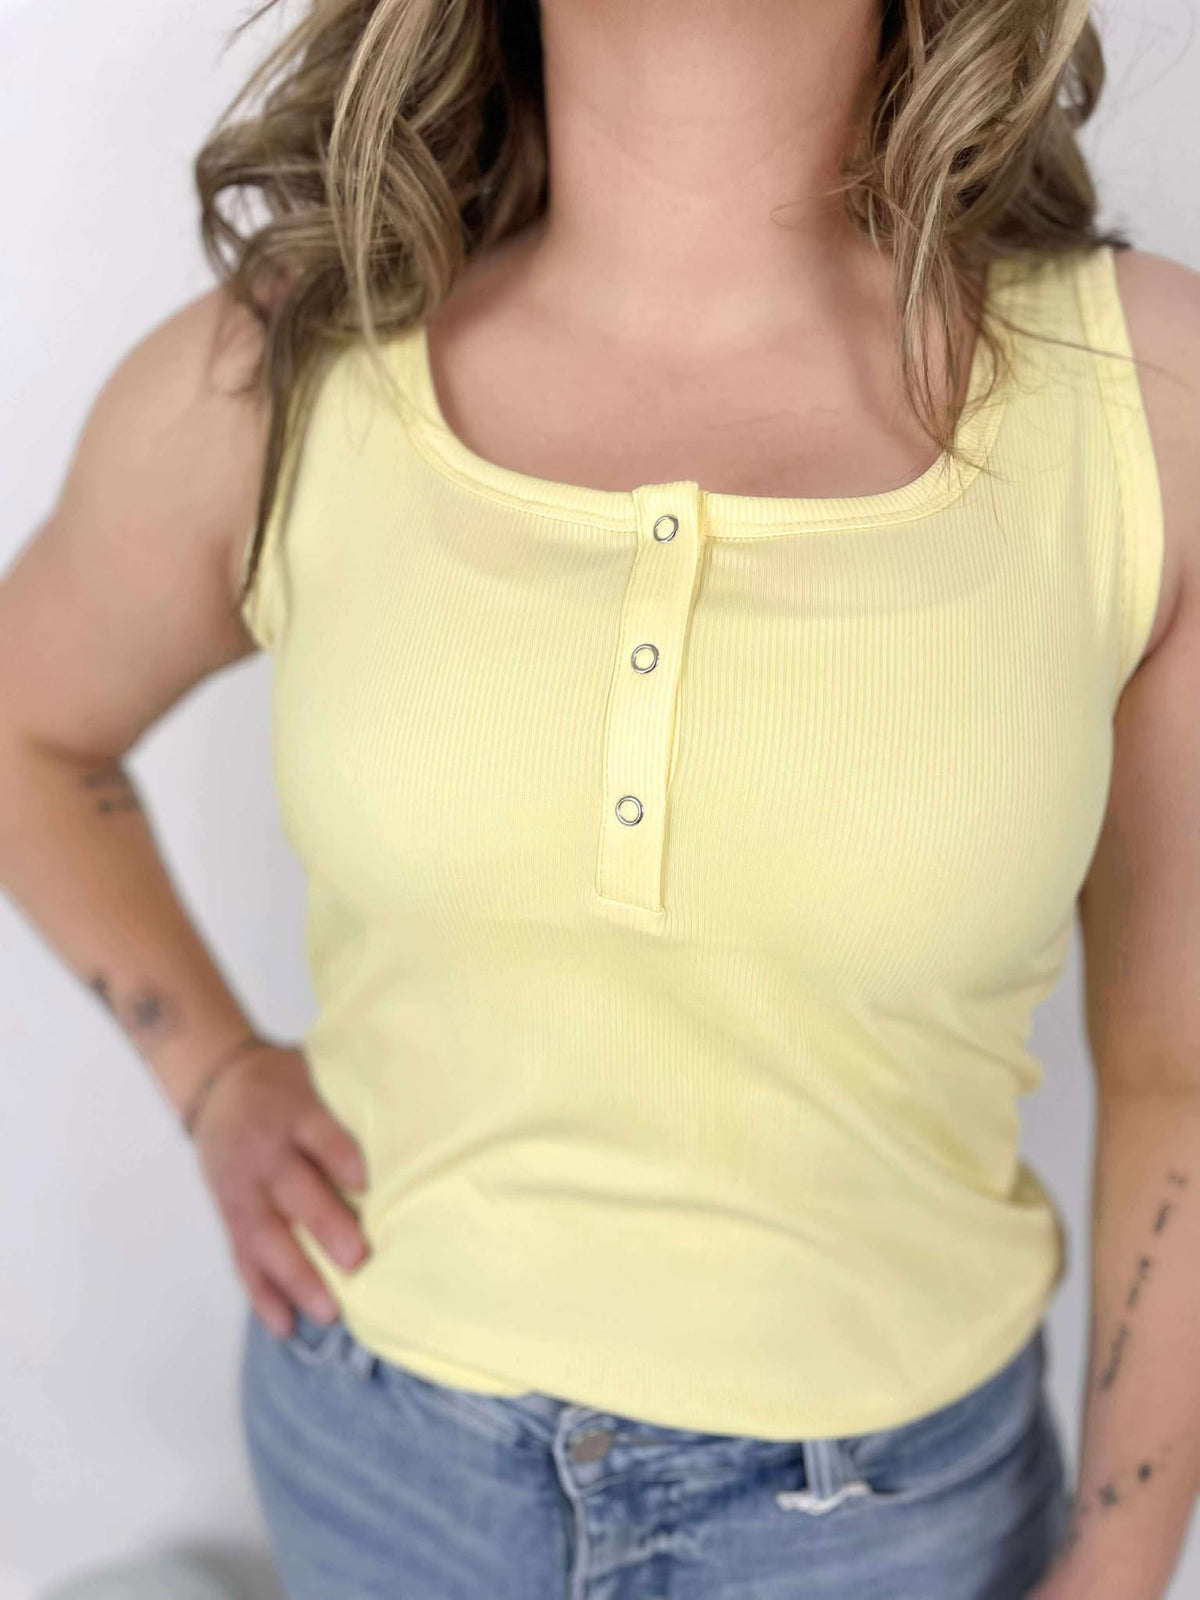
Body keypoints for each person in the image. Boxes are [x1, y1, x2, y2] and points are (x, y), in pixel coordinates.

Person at [2, 1, 1198, 1596]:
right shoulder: (283, 369)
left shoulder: (1148, 404)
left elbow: (1181, 1073)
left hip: (889, 1530)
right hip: (378, 1472)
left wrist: (1119, 1567)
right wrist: (213, 1074)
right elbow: (25, 722)